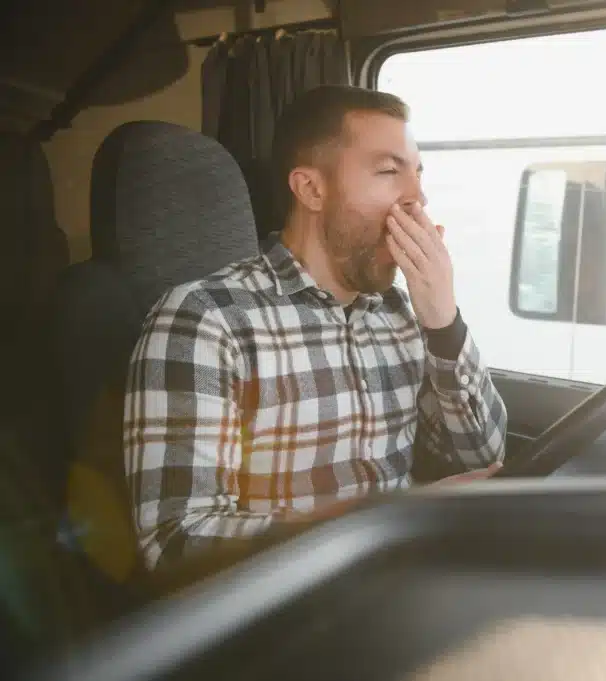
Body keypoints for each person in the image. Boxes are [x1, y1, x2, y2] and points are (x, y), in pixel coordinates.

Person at [123, 85, 508, 572]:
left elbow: (484, 456)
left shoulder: (395, 314)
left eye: (417, 174)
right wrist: (380, 521)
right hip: (287, 610)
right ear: (311, 190)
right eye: (390, 172)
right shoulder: (205, 319)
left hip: (407, 579)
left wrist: (444, 323)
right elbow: (175, 542)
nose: (418, 198)